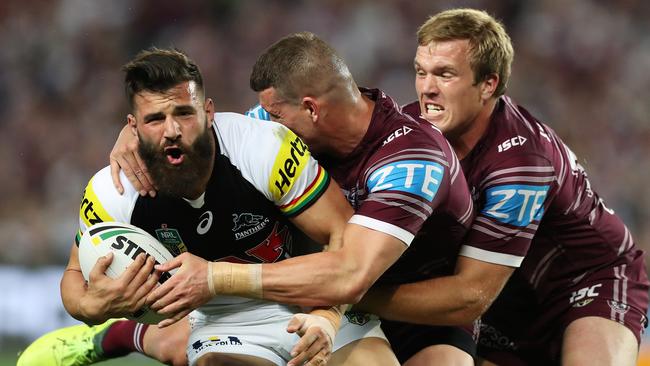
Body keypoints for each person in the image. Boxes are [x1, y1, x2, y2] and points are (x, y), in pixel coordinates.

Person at [19, 33, 478, 366]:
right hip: (227, 316)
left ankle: (133, 336)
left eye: (184, 112)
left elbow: (344, 251)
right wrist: (91, 309)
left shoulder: (266, 145)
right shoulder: (113, 188)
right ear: (133, 127)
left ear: (209, 112)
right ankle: (119, 334)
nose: (173, 129)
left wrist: (326, 317)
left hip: (327, 293)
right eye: (155, 119)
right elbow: (74, 280)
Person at [356, 8, 649, 365]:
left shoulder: (521, 161)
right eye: (421, 72)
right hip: (502, 299)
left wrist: (353, 292)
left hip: (584, 285)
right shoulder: (407, 130)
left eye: (445, 74)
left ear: (488, 84)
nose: (427, 89)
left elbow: (470, 295)